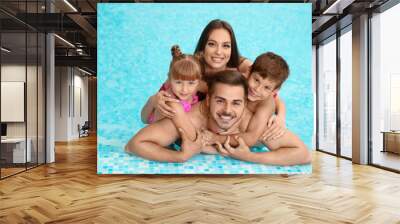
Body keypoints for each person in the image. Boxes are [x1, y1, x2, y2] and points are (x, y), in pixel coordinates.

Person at [126, 70, 311, 166]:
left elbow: (303, 154)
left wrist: (250, 157)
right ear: (208, 101)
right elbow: (133, 144)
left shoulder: (252, 124)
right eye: (220, 101)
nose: (227, 111)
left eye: (236, 103)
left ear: (245, 104)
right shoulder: (190, 119)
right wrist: (180, 156)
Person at [146, 19, 286, 139]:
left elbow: (269, 91)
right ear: (203, 46)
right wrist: (154, 100)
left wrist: (281, 116)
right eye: (212, 44)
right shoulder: (190, 71)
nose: (219, 52)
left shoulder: (242, 67)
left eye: (226, 46)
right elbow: (152, 114)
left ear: (232, 49)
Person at [141, 45, 202, 124]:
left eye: (191, 83)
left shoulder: (193, 96)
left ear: (199, 82)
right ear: (169, 79)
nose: (184, 89)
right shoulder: (168, 103)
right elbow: (148, 122)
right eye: (178, 82)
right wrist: (152, 100)